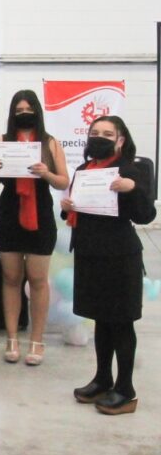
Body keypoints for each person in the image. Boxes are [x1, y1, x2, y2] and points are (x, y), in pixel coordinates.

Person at [61, 116, 155, 415]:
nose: (99, 137)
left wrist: (131, 188)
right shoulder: (83, 170)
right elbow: (76, 211)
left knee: (121, 322)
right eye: (95, 132)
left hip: (120, 258)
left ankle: (126, 390)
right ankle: (103, 379)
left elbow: (145, 215)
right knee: (101, 320)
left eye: (107, 133)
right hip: (90, 256)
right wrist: (67, 207)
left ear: (121, 140)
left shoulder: (131, 171)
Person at [0, 90, 69, 366]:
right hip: (9, 214)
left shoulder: (49, 142)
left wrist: (46, 173)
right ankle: (12, 338)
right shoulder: (2, 141)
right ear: (12, 113)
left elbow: (63, 181)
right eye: (19, 110)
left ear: (37, 111)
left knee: (37, 279)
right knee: (11, 277)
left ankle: (36, 339)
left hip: (40, 215)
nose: (24, 114)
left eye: (28, 109)